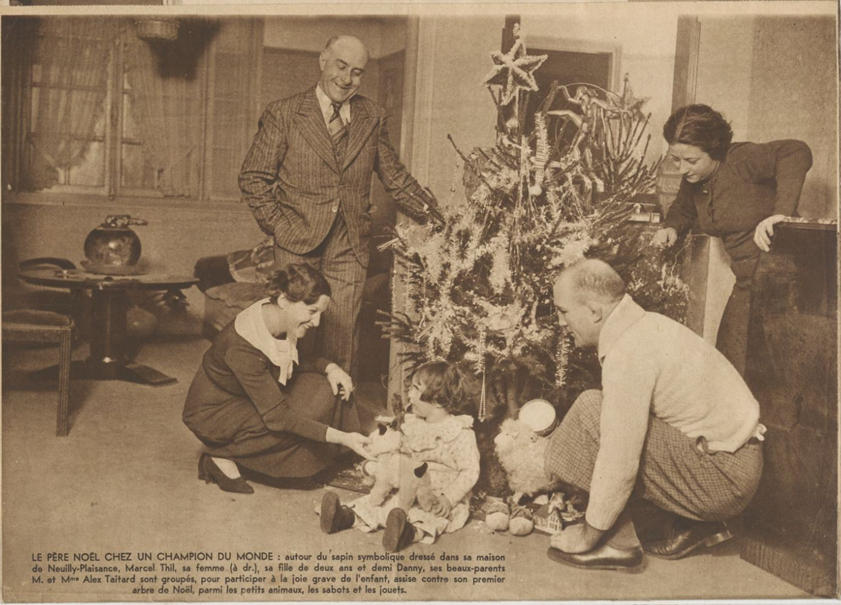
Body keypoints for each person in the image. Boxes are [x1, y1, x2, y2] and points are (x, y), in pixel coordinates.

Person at [545, 259, 765, 572]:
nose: (560, 323)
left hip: (725, 477)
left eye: (563, 311)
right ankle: (686, 523)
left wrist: (589, 533)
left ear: (594, 311)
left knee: (590, 412)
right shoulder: (645, 325)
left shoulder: (628, 352)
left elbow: (619, 458)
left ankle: (619, 546)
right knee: (605, 415)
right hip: (729, 460)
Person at [239, 34, 436, 383]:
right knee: (295, 334)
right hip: (296, 242)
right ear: (323, 61)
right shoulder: (284, 113)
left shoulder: (372, 116)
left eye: (357, 72)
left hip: (349, 243)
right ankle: (291, 420)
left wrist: (437, 216)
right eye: (341, 66)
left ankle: (338, 426)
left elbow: (394, 177)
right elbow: (253, 177)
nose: (347, 79)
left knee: (343, 336)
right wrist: (279, 227)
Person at [183, 263, 371, 494]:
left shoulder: (274, 316)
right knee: (297, 421)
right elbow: (279, 418)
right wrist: (343, 437)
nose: (317, 322)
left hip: (247, 396)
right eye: (312, 311)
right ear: (284, 301)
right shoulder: (242, 348)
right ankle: (219, 454)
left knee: (328, 387)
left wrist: (332, 368)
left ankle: (333, 452)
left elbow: (295, 358)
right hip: (215, 414)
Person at [652, 104, 812, 375]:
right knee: (727, 365)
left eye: (691, 160)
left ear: (714, 151)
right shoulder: (695, 178)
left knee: (774, 374)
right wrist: (672, 227)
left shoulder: (741, 159)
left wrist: (781, 215)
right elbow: (684, 206)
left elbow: (796, 151)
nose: (681, 169)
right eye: (676, 160)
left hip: (785, 281)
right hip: (747, 281)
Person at [319, 361, 481, 553]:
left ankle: (407, 533)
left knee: (429, 518)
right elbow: (396, 447)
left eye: (416, 389)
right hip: (408, 488)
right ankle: (345, 517)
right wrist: (377, 455)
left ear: (436, 400)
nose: (410, 394)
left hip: (436, 498)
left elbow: (469, 471)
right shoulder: (413, 424)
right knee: (384, 504)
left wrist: (449, 497)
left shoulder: (459, 432)